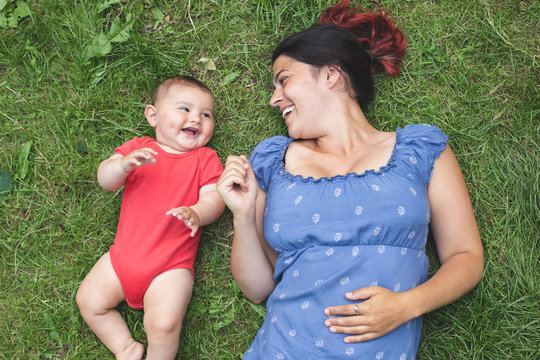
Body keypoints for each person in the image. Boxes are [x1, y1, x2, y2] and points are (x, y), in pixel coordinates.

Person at [216, 1, 483, 359]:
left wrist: (407, 306)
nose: (273, 99)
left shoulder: (419, 150)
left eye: (284, 80)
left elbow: (466, 257)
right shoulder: (272, 160)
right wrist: (244, 216)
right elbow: (258, 288)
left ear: (330, 74)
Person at [76, 76, 225, 360]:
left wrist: (197, 212)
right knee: (89, 300)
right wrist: (120, 165)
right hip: (122, 259)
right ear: (153, 116)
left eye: (206, 114)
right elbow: (105, 180)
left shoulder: (205, 159)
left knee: (164, 324)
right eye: (184, 109)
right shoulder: (139, 148)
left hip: (170, 268)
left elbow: (215, 200)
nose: (196, 118)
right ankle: (125, 348)